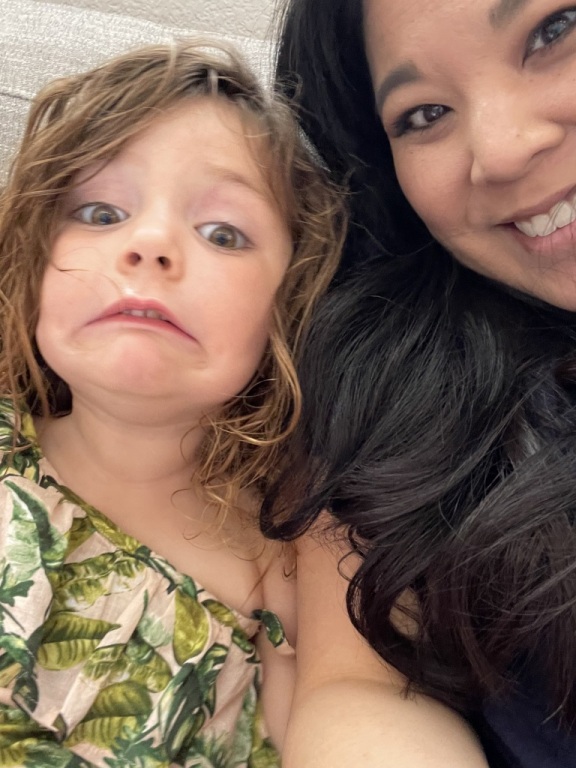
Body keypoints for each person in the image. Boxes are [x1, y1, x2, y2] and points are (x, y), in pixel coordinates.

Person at [0, 39, 350, 767]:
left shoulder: (288, 573)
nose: (151, 242)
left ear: (289, 304)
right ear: (31, 263)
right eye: (100, 212)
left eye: (224, 233)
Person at [262, 1, 576, 766]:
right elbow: (360, 692)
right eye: (424, 114)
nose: (501, 150)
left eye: (554, 31)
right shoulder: (399, 403)